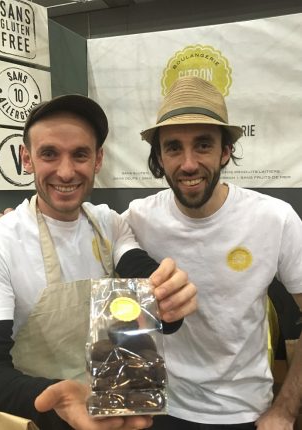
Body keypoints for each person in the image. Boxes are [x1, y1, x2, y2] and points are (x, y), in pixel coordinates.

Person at [0, 94, 197, 430]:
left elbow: (140, 274)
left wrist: (169, 299)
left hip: (112, 411)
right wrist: (60, 399)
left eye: (80, 154)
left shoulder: (109, 223)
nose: (66, 172)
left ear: (97, 160)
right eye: (49, 153)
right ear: (27, 158)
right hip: (36, 417)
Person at [122, 76, 302, 430]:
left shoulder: (274, 219)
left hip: (243, 414)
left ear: (225, 151)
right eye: (173, 147)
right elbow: (81, 228)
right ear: (159, 156)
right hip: (156, 409)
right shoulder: (137, 218)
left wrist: (285, 410)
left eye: (203, 145)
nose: (188, 164)